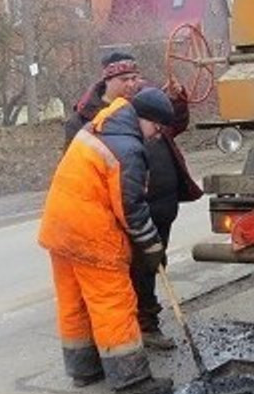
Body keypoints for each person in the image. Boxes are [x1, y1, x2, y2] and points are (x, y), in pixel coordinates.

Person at [37, 77, 172, 394]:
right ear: (147, 119)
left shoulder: (100, 125)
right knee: (112, 299)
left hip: (59, 226)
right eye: (158, 129)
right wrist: (152, 246)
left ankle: (84, 369)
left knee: (74, 301)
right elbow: (131, 207)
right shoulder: (128, 148)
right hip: (90, 234)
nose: (157, 137)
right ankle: (130, 379)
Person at [62, 55, 202, 350]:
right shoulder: (88, 118)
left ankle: (147, 324)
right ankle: (126, 334)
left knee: (152, 265)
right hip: (124, 211)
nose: (132, 84)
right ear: (108, 81)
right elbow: (78, 166)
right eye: (124, 79)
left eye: (135, 78)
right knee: (123, 276)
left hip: (161, 206)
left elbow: (173, 126)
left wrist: (175, 102)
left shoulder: (144, 108)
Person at [129, 86, 203, 350]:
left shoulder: (157, 123)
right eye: (156, 125)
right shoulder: (129, 138)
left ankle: (146, 319)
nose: (160, 130)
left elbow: (178, 121)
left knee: (157, 263)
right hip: (141, 216)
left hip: (165, 210)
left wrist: (179, 99)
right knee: (142, 268)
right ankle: (145, 324)